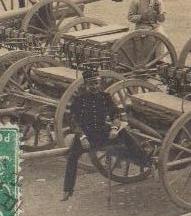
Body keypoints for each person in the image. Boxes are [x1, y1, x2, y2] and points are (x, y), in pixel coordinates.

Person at [61, 67, 151, 201]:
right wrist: (82, 137)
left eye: (96, 83)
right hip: (85, 136)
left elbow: (116, 114)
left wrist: (115, 128)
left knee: (125, 135)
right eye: (91, 84)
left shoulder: (105, 97)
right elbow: (73, 122)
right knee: (72, 157)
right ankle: (67, 190)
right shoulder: (79, 100)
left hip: (103, 133)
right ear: (85, 85)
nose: (94, 87)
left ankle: (144, 159)